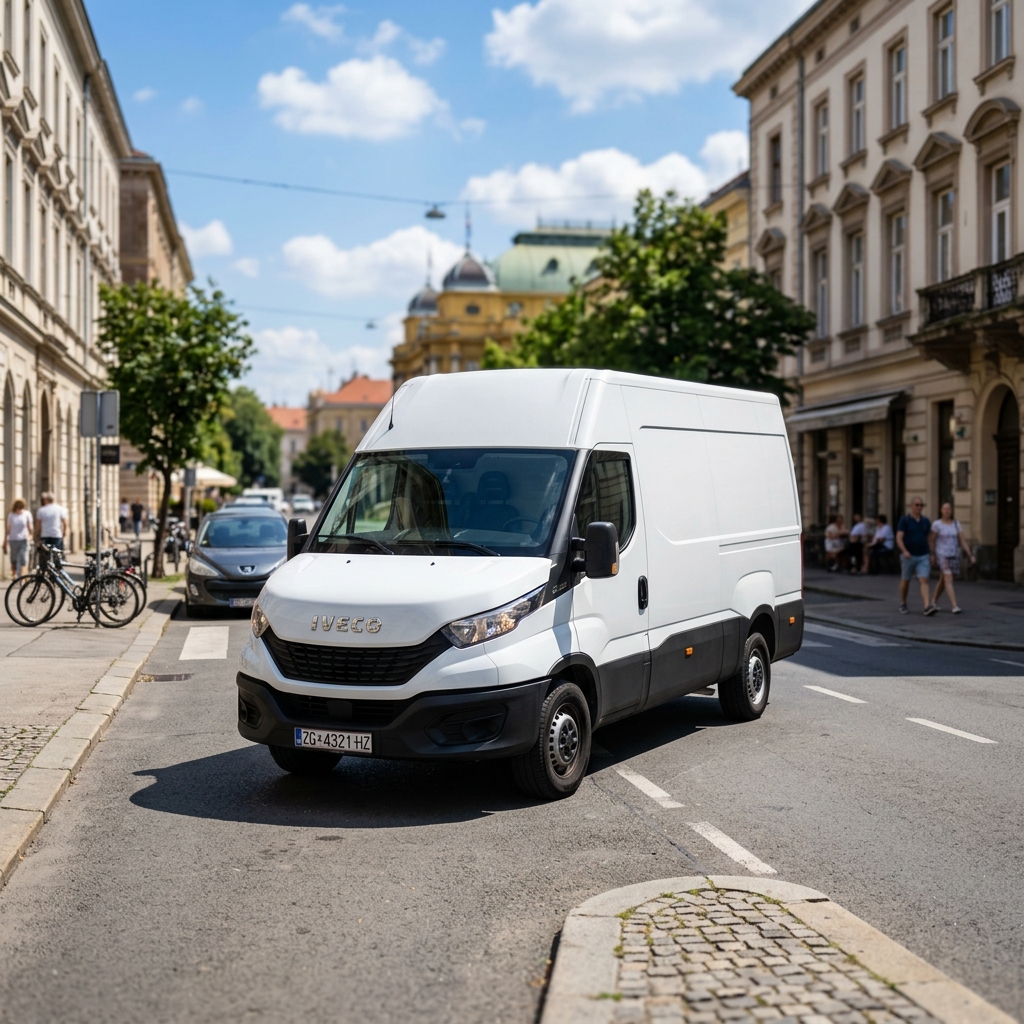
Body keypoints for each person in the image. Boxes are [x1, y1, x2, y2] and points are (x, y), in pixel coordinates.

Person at [929, 502, 976, 614]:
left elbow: (962, 540)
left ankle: (934, 602)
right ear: (941, 510)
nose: (947, 511)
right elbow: (932, 540)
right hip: (941, 554)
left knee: (944, 579)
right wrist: (932, 554)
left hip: (953, 554)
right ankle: (954, 606)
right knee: (948, 578)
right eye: (945, 509)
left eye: (949, 509)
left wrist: (970, 554)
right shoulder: (937, 524)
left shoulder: (956, 524)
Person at [896, 497, 933, 615]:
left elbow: (929, 538)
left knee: (924, 579)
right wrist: (904, 551)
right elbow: (899, 538)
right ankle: (903, 603)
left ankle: (927, 606)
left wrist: (932, 554)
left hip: (923, 555)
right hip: (909, 556)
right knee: (905, 580)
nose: (919, 507)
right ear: (911, 506)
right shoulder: (905, 520)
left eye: (921, 505)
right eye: (917, 505)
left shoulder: (926, 521)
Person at [3, 498, 32, 578]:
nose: (20, 509)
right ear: (15, 507)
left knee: (23, 559)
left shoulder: (26, 514)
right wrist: (5, 541)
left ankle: (23, 577)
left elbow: (29, 527)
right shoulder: (11, 515)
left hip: (24, 540)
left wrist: (30, 536)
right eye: (19, 508)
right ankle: (14, 576)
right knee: (14, 559)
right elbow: (8, 529)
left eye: (22, 507)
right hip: (13, 540)